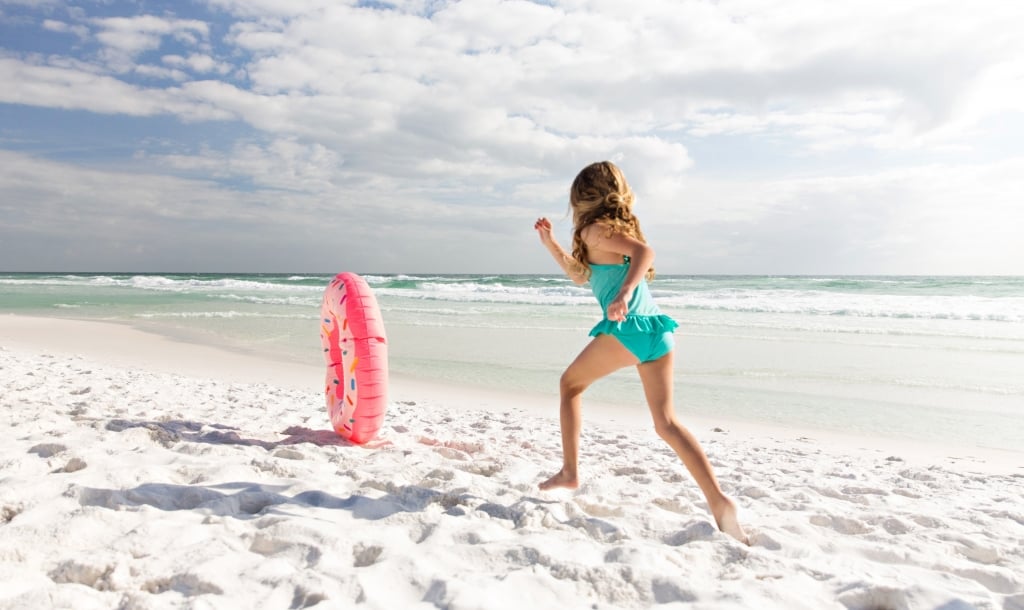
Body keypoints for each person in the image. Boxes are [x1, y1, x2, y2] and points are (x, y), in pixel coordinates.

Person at [533, 161, 748, 544]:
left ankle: (570, 471)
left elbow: (645, 253)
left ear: (582, 197)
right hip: (657, 333)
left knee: (569, 385)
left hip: (629, 329)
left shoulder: (594, 229)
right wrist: (551, 245)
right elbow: (581, 276)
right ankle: (718, 501)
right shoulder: (601, 234)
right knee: (666, 423)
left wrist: (623, 294)